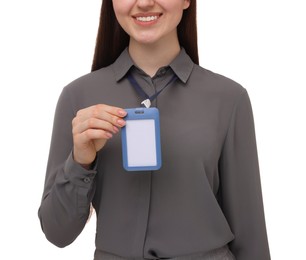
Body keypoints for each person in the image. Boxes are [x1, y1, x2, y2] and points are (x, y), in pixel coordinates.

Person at [38, 0, 271, 259]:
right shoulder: (78, 98)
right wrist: (80, 162)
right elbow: (57, 232)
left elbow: (251, 236)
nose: (146, 3)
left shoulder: (229, 98)